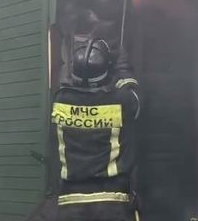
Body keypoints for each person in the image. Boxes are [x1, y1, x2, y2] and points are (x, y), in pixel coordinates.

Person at [51, 37, 141, 221]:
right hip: (112, 203)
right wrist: (122, 67)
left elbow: (68, 85)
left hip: (70, 204)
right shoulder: (121, 101)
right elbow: (135, 95)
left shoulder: (60, 100)